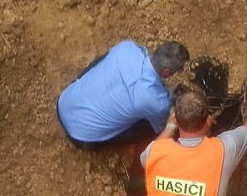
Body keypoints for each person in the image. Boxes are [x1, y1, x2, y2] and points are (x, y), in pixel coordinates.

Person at [57, 40, 189, 149]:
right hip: (81, 138)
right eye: (177, 70)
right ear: (166, 72)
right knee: (151, 128)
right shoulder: (158, 102)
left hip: (63, 102)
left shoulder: (127, 48)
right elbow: (162, 126)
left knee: (102, 62)